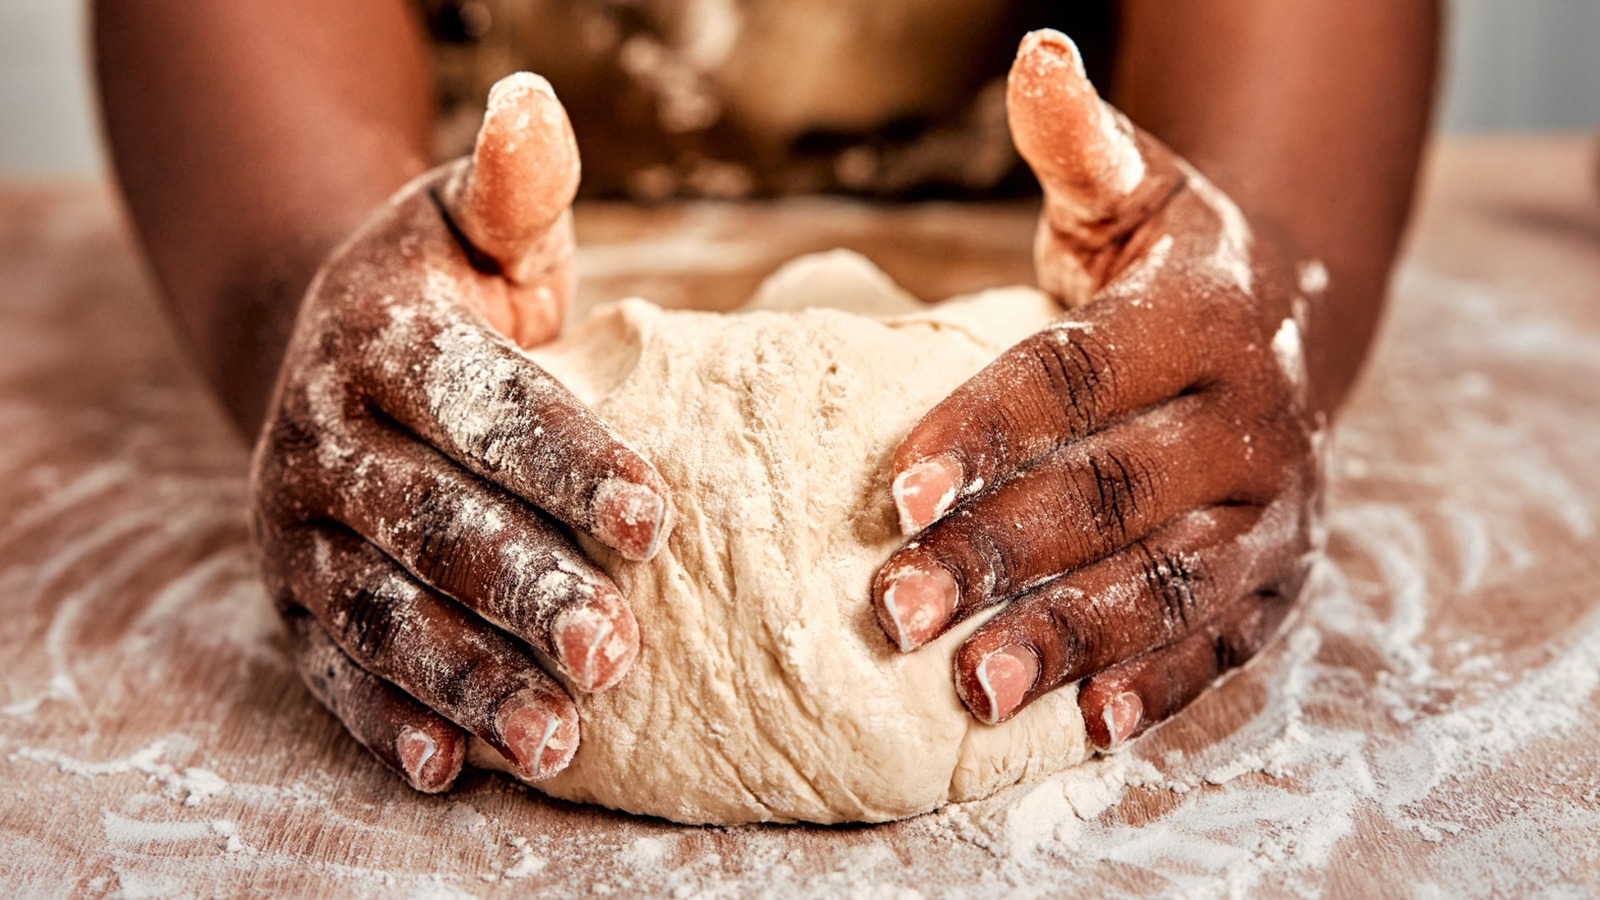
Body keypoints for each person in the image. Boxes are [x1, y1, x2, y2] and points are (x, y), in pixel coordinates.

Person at [94, 1, 1438, 793]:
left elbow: (1290, 160)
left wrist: (1259, 276)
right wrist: (308, 292)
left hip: (1043, 221)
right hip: (472, 234)